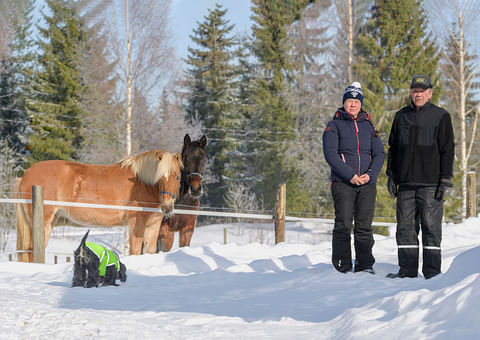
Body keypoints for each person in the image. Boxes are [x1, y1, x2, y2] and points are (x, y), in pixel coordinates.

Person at [386, 74, 455, 279]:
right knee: (405, 228)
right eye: (415, 90)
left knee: (431, 228)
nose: (418, 94)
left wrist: (445, 179)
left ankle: (432, 273)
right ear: (411, 92)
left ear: (430, 93)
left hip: (430, 184)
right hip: (405, 184)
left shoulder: (441, 117)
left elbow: (448, 150)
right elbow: (394, 148)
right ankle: (406, 271)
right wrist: (392, 176)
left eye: (422, 91)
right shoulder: (401, 116)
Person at [323, 82, 385, 274]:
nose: (353, 105)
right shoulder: (334, 125)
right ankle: (342, 264)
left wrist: (370, 175)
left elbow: (380, 154)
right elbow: (331, 155)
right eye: (349, 101)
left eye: (356, 101)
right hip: (343, 183)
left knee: (364, 226)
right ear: (344, 103)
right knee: (343, 223)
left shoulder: (368, 125)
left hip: (367, 183)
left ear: (361, 104)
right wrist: (350, 175)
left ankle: (365, 265)